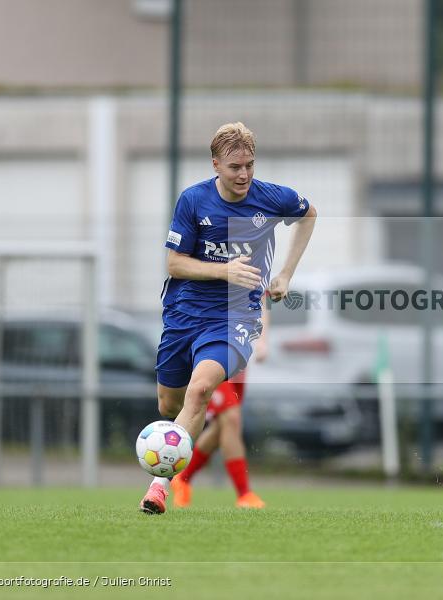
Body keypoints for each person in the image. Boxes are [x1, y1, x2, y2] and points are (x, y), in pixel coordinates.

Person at [140, 121, 317, 514]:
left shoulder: (271, 198)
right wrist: (224, 269)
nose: (244, 175)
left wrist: (286, 273)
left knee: (200, 390)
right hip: (185, 313)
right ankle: (179, 462)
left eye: (250, 165)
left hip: (237, 316)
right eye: (235, 167)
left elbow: (310, 215)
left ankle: (160, 487)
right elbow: (174, 263)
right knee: (169, 406)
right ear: (215, 164)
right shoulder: (193, 201)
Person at [169, 295, 270, 510]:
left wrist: (263, 339)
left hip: (240, 351)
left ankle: (183, 478)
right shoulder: (211, 262)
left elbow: (263, 299)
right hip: (213, 347)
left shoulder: (257, 264)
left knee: (221, 428)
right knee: (231, 419)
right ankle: (244, 494)